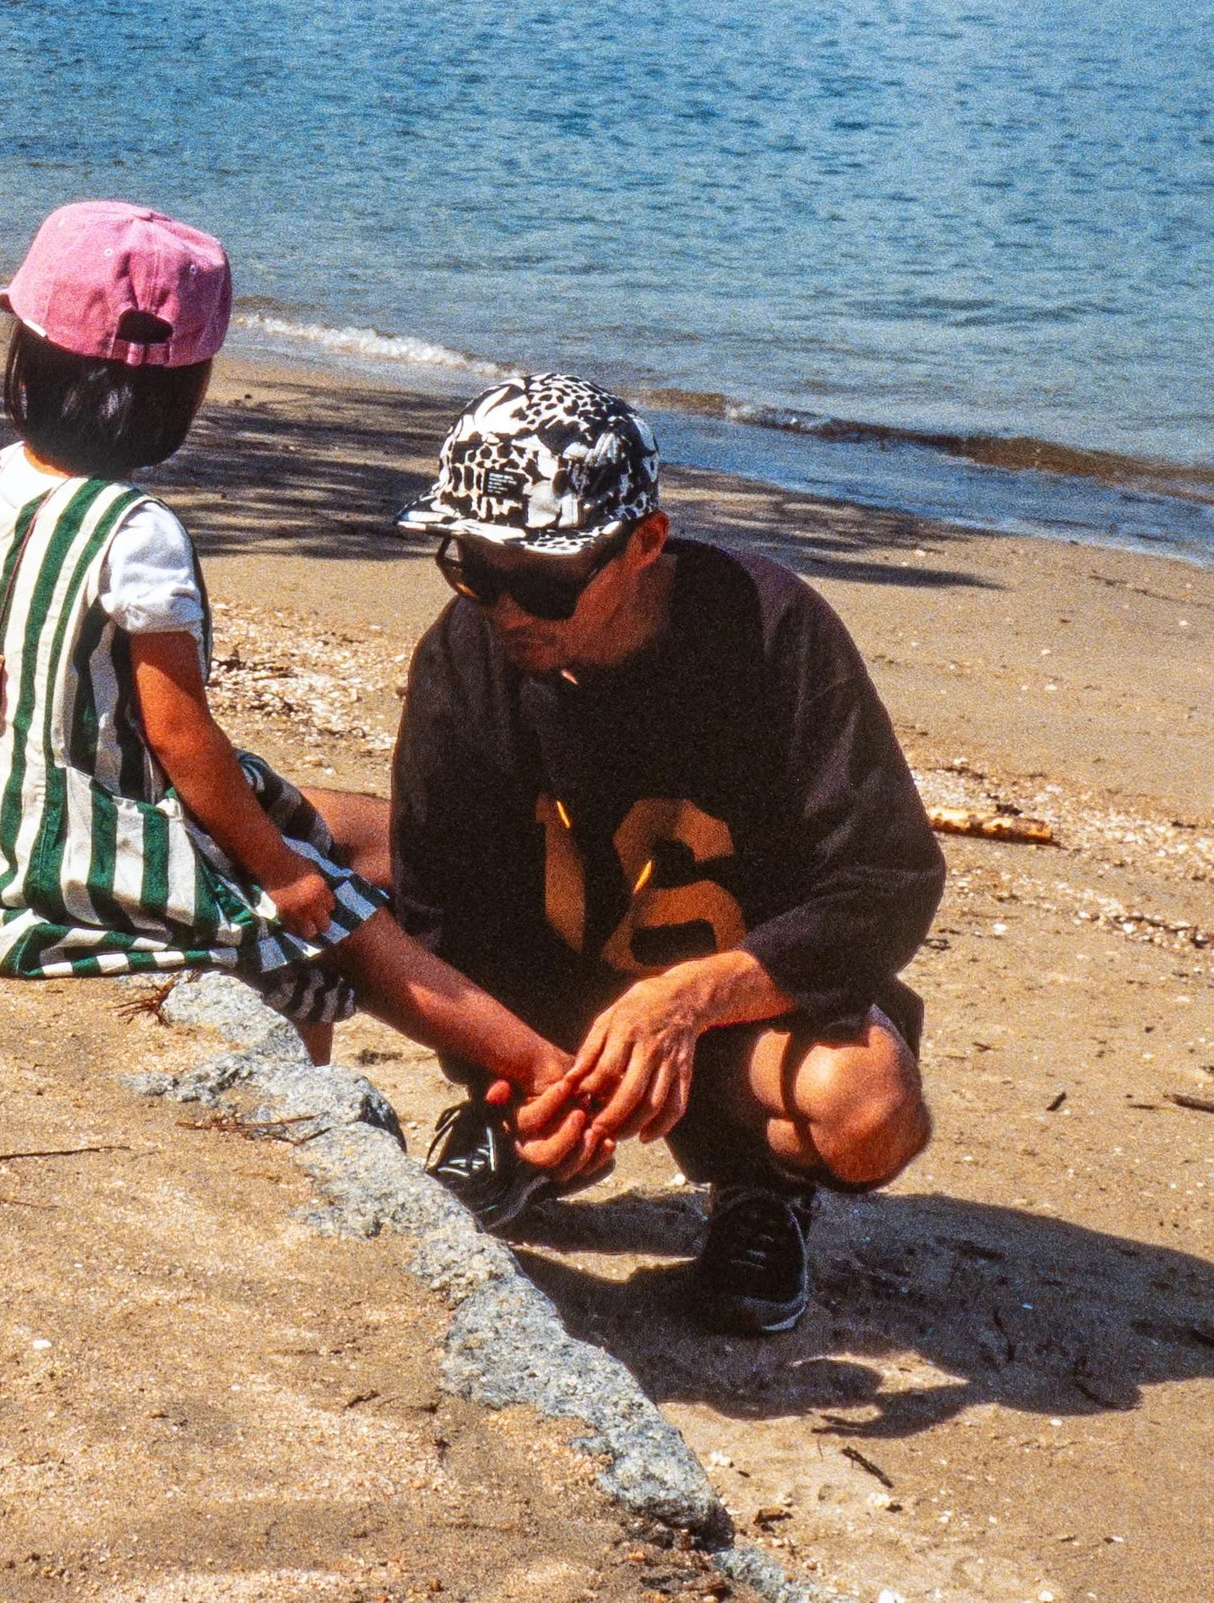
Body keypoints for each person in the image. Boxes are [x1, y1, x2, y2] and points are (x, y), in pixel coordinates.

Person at [0, 204, 612, 1150]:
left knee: (367, 842)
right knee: (338, 916)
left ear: (28, 356)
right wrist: (278, 870)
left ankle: (501, 1063)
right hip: (88, 837)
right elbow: (178, 734)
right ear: (184, 392)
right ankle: (539, 1071)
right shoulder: (136, 535)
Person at [389, 372, 942, 1336]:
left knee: (868, 1112)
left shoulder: (770, 633)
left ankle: (760, 1180)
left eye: (544, 576)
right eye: (473, 565)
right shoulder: (469, 655)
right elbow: (445, 899)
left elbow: (888, 879)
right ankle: (515, 1129)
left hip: (735, 1007)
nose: (507, 608)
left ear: (645, 543)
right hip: (551, 999)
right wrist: (522, 1076)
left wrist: (691, 1000)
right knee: (281, 855)